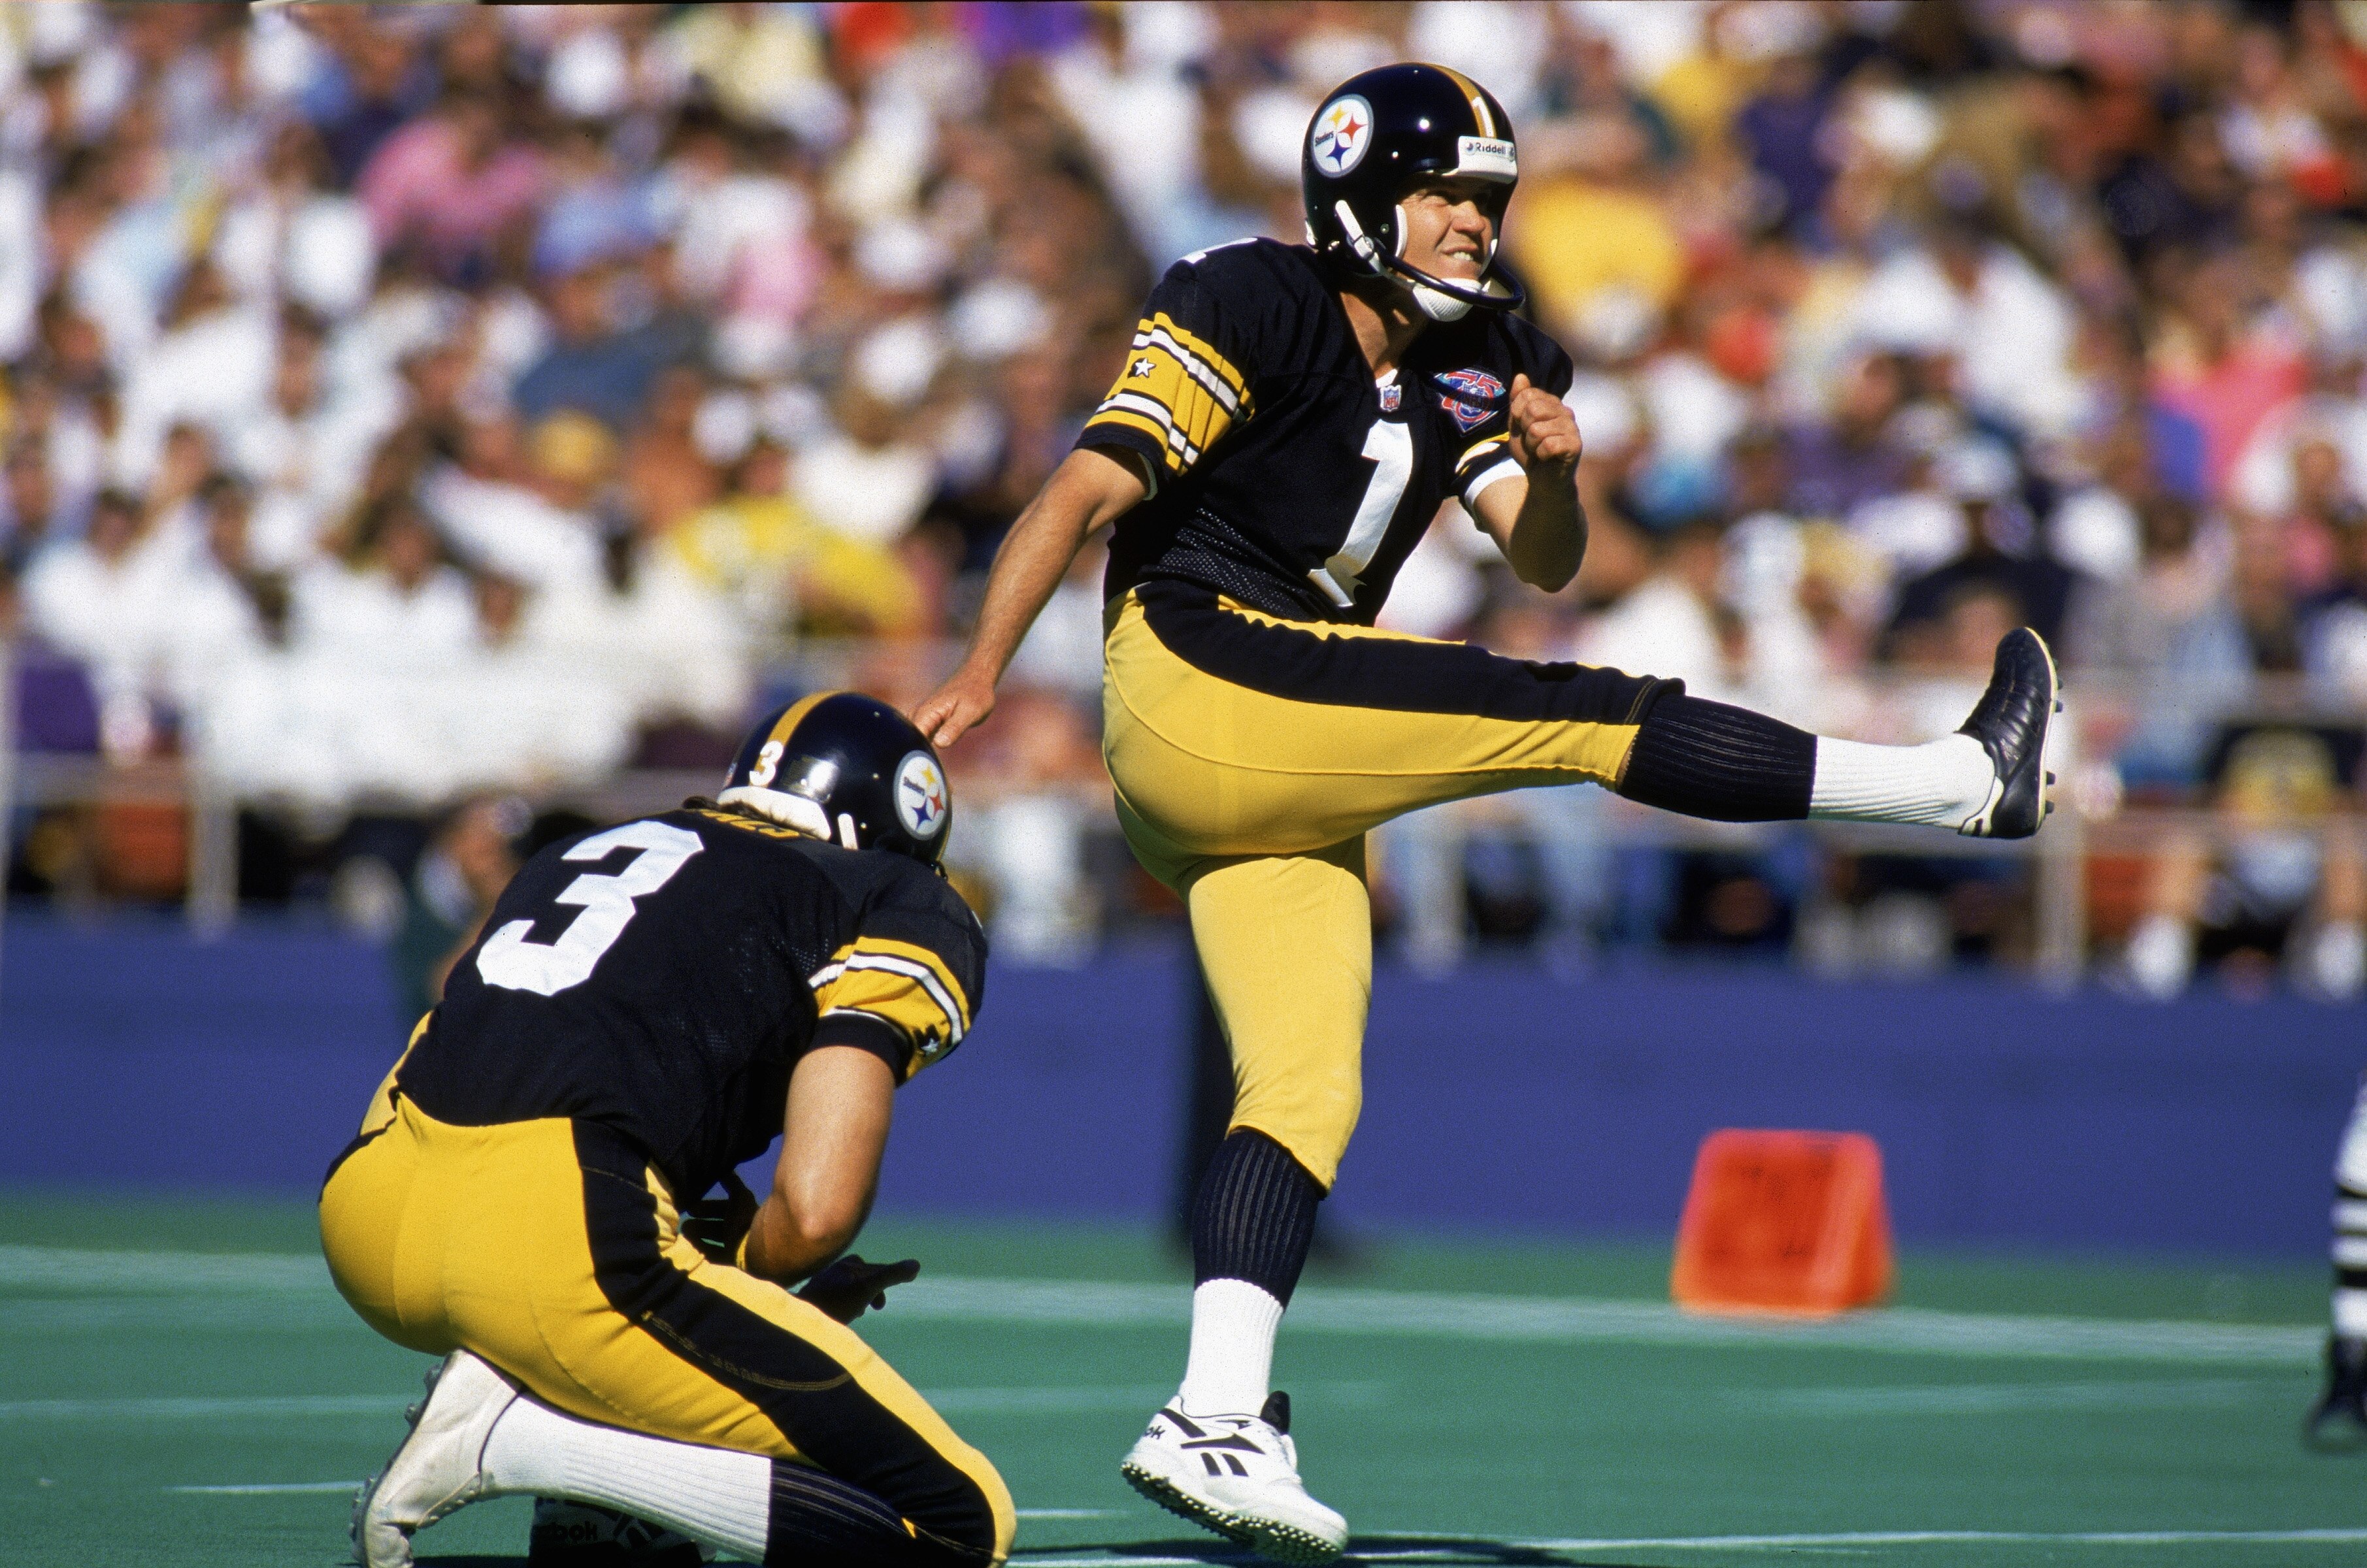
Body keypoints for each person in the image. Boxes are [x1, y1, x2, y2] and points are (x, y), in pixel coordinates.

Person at [912, 64, 2057, 1565]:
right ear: (1359, 193)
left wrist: (1560, 472)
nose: (1474, 221)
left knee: (1303, 1095)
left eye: (1488, 197)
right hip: (1201, 678)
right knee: (1584, 714)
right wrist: (977, 676)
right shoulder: (1251, 298)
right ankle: (1955, 786)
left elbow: (1543, 557)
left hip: (1269, 765)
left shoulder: (1479, 352)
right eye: (1449, 193)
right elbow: (1078, 495)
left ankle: (1212, 1412)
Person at [322, 693, 1012, 1568]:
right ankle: (524, 1442)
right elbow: (814, 1211)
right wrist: (760, 1289)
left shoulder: (588, 851)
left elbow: (460, 1006)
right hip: (554, 1239)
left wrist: (725, 1296)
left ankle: (590, 1492)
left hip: (370, 1202)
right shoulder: (888, 893)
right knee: (958, 1522)